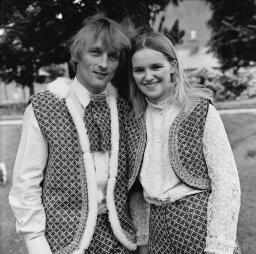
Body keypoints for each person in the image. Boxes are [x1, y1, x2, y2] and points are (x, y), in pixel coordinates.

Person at [9, 14, 138, 254]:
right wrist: (36, 243)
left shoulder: (123, 109)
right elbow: (26, 183)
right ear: (76, 55)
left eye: (113, 56)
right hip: (64, 243)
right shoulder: (44, 107)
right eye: (95, 52)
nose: (104, 64)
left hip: (119, 243)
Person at [127, 31, 241, 254]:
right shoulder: (134, 119)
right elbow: (137, 189)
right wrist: (142, 240)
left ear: (172, 66)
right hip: (157, 232)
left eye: (156, 67)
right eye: (139, 70)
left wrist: (218, 245)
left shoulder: (200, 110)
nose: (148, 76)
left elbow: (226, 183)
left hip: (199, 227)